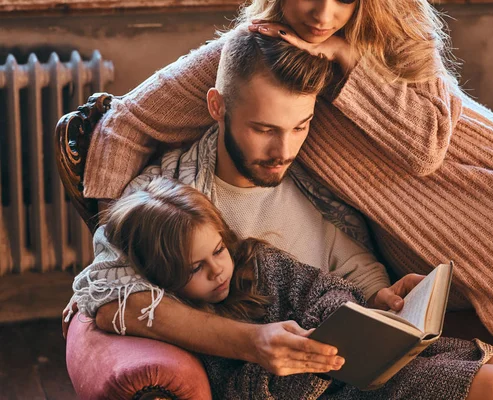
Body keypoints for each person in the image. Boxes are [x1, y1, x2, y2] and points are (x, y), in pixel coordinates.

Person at [78, 0, 493, 337]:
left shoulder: (400, 36)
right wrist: (127, 235)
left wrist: (345, 55)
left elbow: (425, 149)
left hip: (489, 172)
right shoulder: (257, 53)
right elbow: (124, 123)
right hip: (426, 226)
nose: (324, 12)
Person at [65, 27, 420, 377]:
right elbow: (111, 298)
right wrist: (251, 342)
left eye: (300, 127)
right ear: (217, 106)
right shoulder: (165, 198)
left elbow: (350, 258)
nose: (284, 152)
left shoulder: (315, 175)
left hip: (348, 358)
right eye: (264, 129)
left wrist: (380, 299)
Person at [97, 176, 493, 400]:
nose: (218, 271)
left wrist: (336, 321)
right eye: (196, 267)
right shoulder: (198, 330)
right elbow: (250, 393)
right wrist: (306, 356)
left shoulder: (258, 261)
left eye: (218, 249)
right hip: (344, 391)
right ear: (163, 274)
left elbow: (323, 287)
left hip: (373, 352)